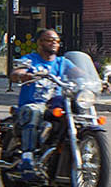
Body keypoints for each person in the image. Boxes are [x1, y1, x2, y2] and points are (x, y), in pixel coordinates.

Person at [10, 29, 71, 174]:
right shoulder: (30, 60)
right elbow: (15, 73)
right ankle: (27, 157)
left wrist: (98, 82)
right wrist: (23, 75)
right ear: (40, 42)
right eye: (49, 40)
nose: (54, 43)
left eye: (56, 40)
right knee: (34, 111)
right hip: (34, 103)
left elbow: (80, 74)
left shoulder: (63, 62)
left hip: (55, 104)